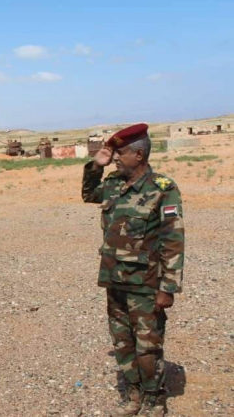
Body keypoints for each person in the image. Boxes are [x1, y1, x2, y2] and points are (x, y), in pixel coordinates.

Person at [82, 124, 184, 417]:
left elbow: (173, 241)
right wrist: (95, 166)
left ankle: (155, 399)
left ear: (139, 155)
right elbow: (88, 194)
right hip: (114, 279)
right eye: (114, 153)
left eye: (121, 152)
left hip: (145, 283)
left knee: (148, 346)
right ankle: (134, 395)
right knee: (122, 341)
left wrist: (168, 287)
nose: (115, 157)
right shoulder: (113, 183)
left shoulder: (163, 188)